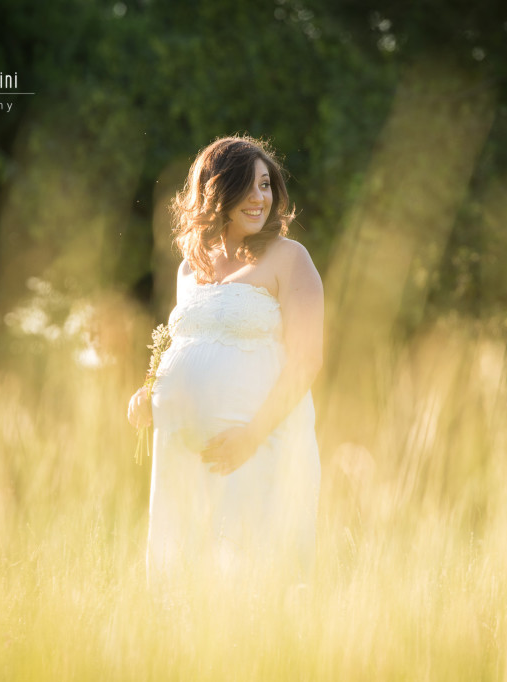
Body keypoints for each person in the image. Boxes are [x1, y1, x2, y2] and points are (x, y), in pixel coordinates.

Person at [126, 135, 323, 588]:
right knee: (187, 575)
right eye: (248, 186)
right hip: (183, 451)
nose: (260, 198)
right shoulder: (189, 266)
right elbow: (187, 341)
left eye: (266, 185)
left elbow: (307, 360)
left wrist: (252, 436)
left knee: (251, 571)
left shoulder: (291, 259)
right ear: (217, 192)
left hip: (258, 443)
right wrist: (149, 393)